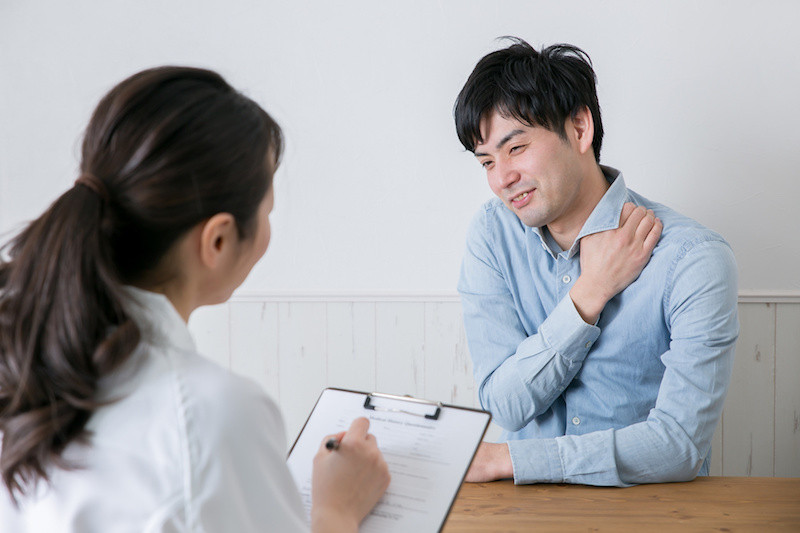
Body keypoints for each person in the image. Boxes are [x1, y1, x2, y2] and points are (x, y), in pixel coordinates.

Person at [0, 66, 389, 531]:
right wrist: (337, 509)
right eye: (267, 212)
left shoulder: (21, 359)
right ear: (218, 241)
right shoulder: (209, 414)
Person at [453, 38, 739, 486]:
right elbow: (505, 405)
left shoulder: (693, 259)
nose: (501, 179)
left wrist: (512, 461)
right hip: (526, 515)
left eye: (516, 148)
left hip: (649, 516)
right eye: (486, 161)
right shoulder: (492, 235)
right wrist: (588, 295)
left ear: (580, 128)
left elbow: (679, 445)